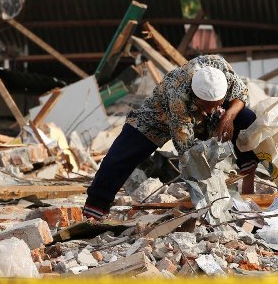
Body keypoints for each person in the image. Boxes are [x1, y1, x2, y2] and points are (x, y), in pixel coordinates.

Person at [83, 54, 258, 220]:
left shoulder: (220, 69)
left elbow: (241, 94)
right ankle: (94, 210)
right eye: (207, 106)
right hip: (159, 118)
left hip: (204, 116)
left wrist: (228, 117)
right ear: (195, 96)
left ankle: (248, 185)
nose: (211, 111)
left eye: (216, 105)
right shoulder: (178, 95)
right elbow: (186, 147)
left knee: (247, 118)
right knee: (120, 156)